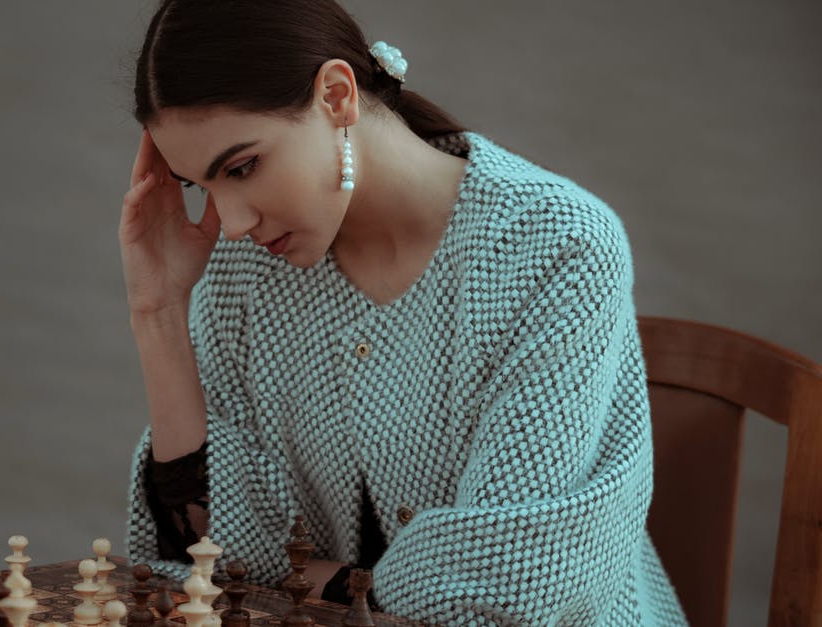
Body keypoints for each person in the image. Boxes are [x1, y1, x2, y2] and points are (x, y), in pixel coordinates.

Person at [117, 1, 689, 624]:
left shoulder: (556, 247)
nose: (232, 224)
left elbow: (513, 585)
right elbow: (207, 562)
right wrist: (159, 313)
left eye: (244, 166)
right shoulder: (246, 274)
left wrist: (323, 581)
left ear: (337, 96)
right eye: (203, 185)